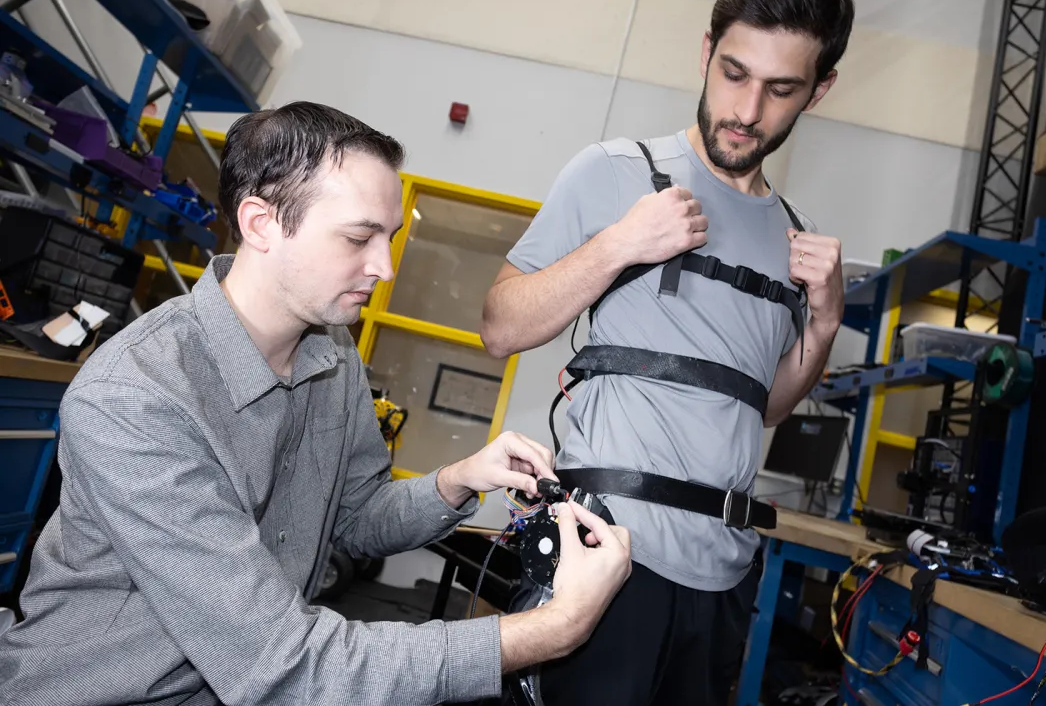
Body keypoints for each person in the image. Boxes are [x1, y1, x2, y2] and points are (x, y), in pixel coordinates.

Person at [0, 101, 632, 706]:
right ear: (260, 224)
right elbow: (280, 665)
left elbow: (356, 516)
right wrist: (555, 627)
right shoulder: (137, 399)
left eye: (388, 238)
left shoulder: (330, 353)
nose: (383, 268)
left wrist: (459, 480)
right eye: (358, 238)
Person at [480, 0, 855, 704]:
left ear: (820, 90)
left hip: (722, 580)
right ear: (707, 51)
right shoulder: (616, 173)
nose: (746, 112)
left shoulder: (794, 238)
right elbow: (501, 326)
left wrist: (824, 323)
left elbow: (764, 407)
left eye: (780, 89)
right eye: (734, 74)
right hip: (608, 559)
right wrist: (620, 243)